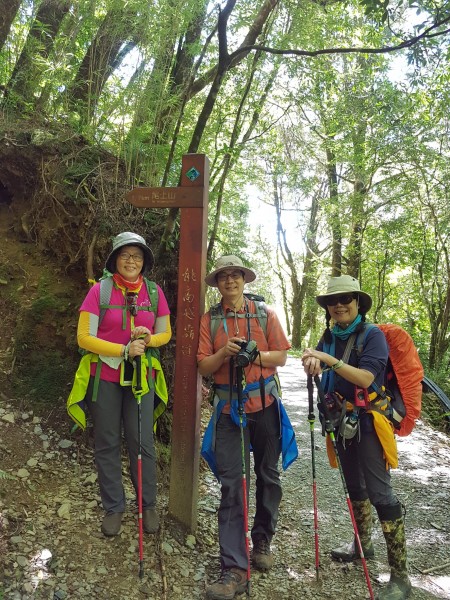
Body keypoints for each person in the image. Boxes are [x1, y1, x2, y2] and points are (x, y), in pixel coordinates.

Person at [302, 275, 411, 600]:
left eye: (346, 299)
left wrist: (328, 361)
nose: (339, 305)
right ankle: (363, 547)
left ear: (358, 303)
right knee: (354, 488)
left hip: (370, 423)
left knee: (380, 494)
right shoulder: (329, 335)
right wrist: (312, 362)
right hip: (340, 420)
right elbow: (319, 364)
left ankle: (401, 576)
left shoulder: (372, 335)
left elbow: (365, 377)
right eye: (333, 301)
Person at [197, 255, 292, 600]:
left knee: (268, 475)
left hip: (265, 406)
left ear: (244, 280)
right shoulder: (210, 320)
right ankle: (234, 567)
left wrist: (256, 356)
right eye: (224, 277)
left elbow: (281, 356)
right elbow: (204, 367)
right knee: (232, 485)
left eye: (235, 276)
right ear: (218, 283)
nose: (230, 281)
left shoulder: (265, 315)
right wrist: (225, 352)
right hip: (228, 411)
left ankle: (262, 539)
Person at [76, 231, 171, 537]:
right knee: (107, 442)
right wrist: (121, 350)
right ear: (115, 259)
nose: (131, 261)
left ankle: (147, 505)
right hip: (104, 376)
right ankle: (114, 507)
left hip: (140, 378)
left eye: (137, 256)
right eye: (125, 255)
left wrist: (147, 338)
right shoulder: (100, 292)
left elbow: (165, 333)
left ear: (145, 261)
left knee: (142, 442)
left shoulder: (153, 293)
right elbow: (84, 337)